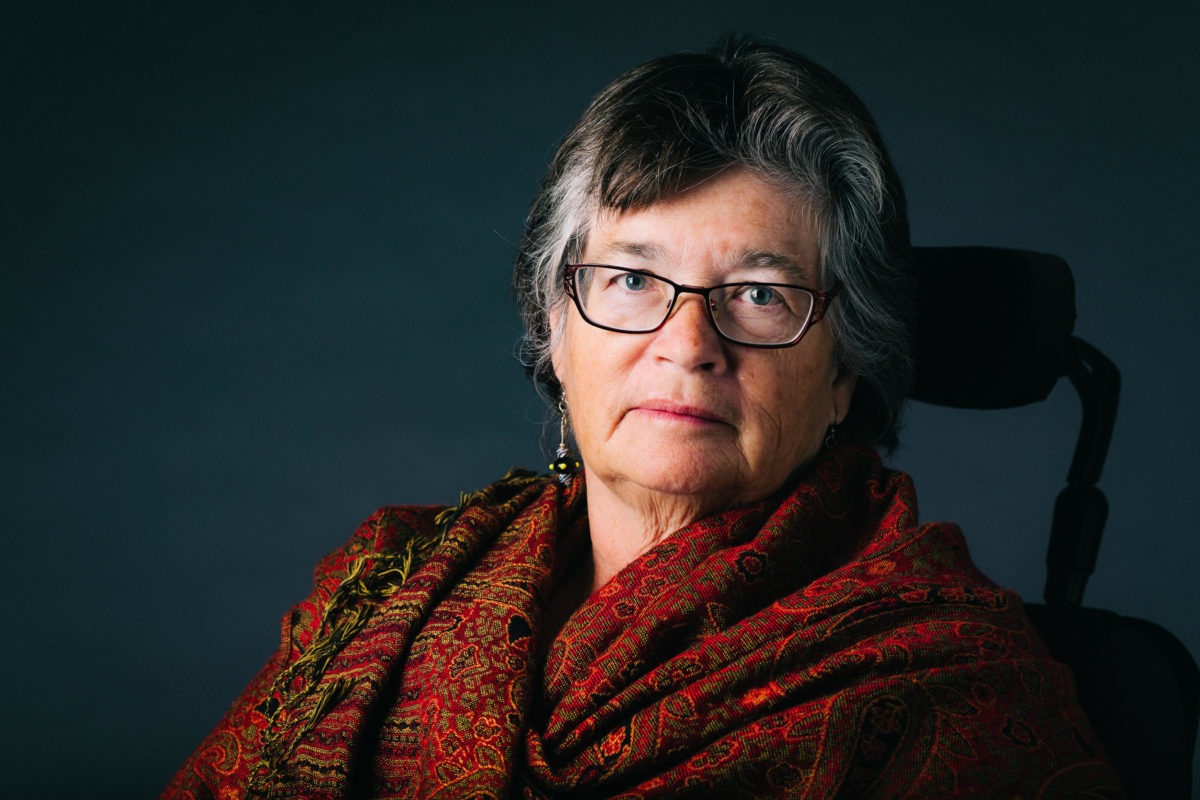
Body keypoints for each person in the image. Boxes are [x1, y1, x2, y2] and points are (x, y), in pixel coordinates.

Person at [162, 36, 1123, 799]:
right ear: (556, 325)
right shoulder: (394, 581)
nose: (687, 341)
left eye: (757, 294)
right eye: (629, 278)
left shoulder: (953, 692)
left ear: (845, 372)